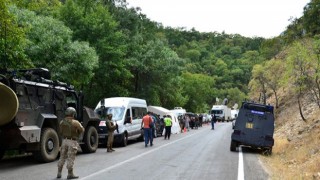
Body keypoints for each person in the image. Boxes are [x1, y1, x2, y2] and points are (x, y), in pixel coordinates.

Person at [57, 107, 84, 179]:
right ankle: (70, 174)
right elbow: (81, 130)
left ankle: (59, 172)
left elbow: (60, 132)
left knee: (62, 157)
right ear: (73, 114)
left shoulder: (62, 122)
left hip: (64, 141)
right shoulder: (75, 122)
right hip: (72, 141)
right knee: (71, 158)